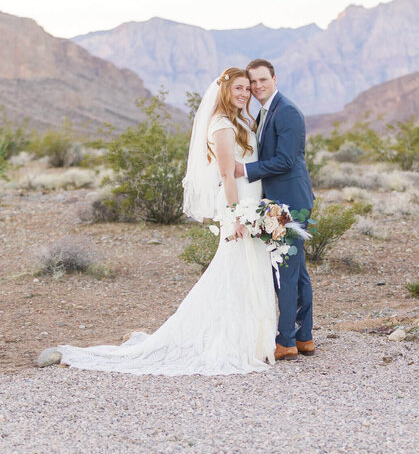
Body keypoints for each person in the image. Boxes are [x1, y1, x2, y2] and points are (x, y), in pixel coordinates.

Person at [57, 67, 277, 375]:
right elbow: (227, 175)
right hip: (238, 208)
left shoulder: (241, 120)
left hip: (252, 206)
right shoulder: (222, 125)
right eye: (238, 88)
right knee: (233, 271)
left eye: (246, 89)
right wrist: (237, 216)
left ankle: (253, 338)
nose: (243, 93)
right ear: (225, 91)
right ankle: (224, 339)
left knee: (250, 271)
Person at [234, 59, 316, 361]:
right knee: (298, 273)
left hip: (292, 204)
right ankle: (304, 337)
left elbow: (286, 161)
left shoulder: (288, 112)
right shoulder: (265, 111)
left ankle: (286, 342)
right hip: (279, 201)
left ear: (274, 78)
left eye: (261, 80)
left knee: (287, 273)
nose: (256, 87)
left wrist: (243, 170)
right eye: (252, 82)